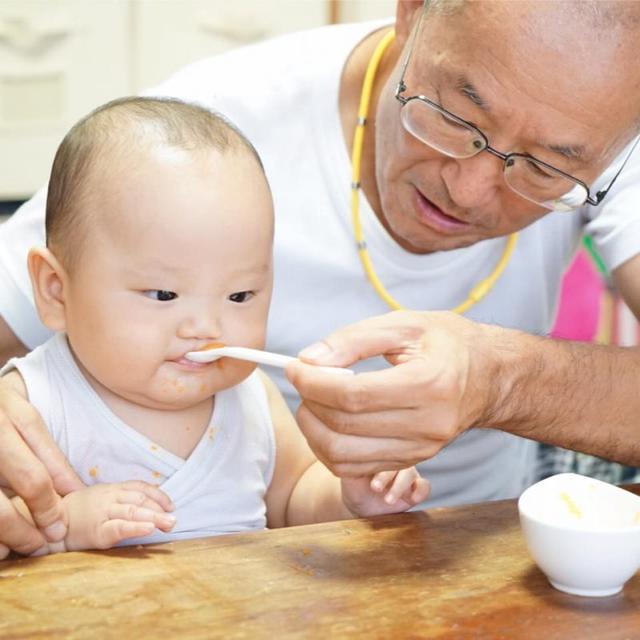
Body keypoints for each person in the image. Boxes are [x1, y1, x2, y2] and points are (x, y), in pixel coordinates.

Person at [0, 0, 639, 552]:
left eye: (545, 167)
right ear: (411, 14)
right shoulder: (191, 147)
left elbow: (298, 494)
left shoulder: (247, 399)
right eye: (456, 115)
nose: (470, 191)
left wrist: (504, 383)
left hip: (474, 559)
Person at [0, 97, 428, 557]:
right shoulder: (32, 403)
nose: (207, 327)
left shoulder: (251, 397)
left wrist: (351, 495)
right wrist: (64, 525)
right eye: (164, 295)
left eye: (240, 296)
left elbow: (290, 499)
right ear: (56, 291)